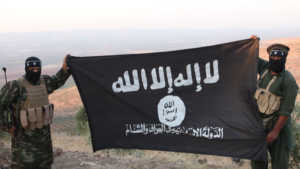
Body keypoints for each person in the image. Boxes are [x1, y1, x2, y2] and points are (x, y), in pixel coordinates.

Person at [0, 55, 71, 169]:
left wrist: (65, 69)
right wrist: (6, 125)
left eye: (38, 69)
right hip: (24, 145)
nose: (35, 71)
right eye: (32, 69)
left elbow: (57, 80)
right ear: (26, 69)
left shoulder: (44, 82)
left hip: (44, 144)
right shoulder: (16, 86)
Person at [250, 35, 299, 169]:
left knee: (279, 165)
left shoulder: (288, 81)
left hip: (279, 131)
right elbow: (252, 59)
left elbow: (286, 111)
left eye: (280, 56)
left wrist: (275, 132)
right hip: (260, 128)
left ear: (284, 58)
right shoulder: (265, 68)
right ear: (270, 56)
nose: (276, 59)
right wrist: (254, 43)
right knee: (257, 162)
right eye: (274, 56)